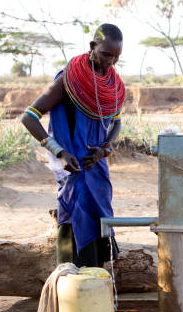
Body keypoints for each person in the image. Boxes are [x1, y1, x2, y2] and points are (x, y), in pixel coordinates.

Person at [21, 23, 125, 267]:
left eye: (116, 57)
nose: (111, 62)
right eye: (106, 54)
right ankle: (71, 292)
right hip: (73, 169)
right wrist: (61, 152)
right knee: (74, 222)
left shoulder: (112, 84)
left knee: (101, 223)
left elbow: (117, 123)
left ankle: (97, 292)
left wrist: (104, 149)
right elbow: (29, 117)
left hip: (98, 171)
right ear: (92, 47)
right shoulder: (68, 80)